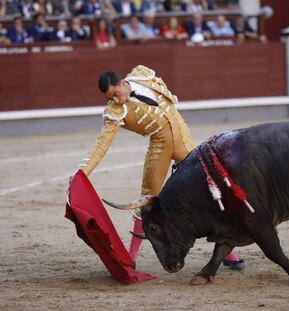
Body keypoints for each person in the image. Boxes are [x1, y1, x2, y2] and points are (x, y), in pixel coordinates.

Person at [73, 65, 245, 271]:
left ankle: (229, 253)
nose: (116, 100)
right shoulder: (115, 111)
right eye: (111, 98)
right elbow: (102, 144)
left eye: (117, 94)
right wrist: (83, 171)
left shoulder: (142, 75)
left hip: (184, 140)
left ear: (121, 83)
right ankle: (130, 257)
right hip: (160, 148)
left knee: (210, 192)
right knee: (148, 200)